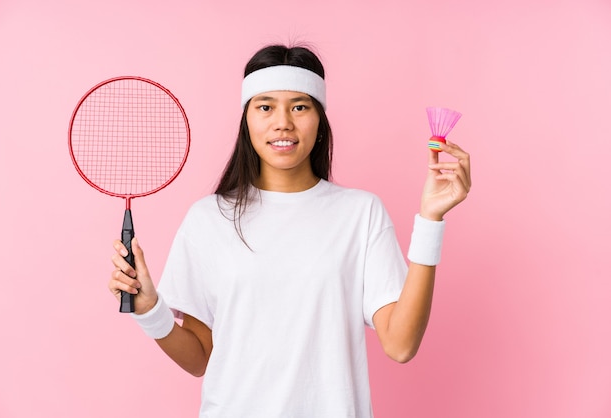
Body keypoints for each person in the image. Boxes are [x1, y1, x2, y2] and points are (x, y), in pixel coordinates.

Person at [109, 44, 471, 417]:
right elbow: (200, 357)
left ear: (320, 119)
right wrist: (150, 310)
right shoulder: (209, 218)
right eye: (265, 107)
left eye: (300, 106)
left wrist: (430, 220)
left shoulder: (360, 213)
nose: (282, 121)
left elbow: (401, 344)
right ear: (246, 118)